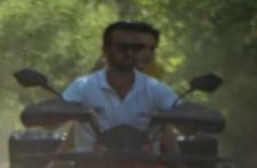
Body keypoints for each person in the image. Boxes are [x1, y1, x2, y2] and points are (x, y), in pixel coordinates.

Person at [62, 21, 179, 151]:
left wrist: (176, 161)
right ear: (107, 51)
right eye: (123, 48)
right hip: (94, 163)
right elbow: (78, 119)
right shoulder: (87, 83)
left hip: (142, 163)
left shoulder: (155, 81)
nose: (146, 54)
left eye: (136, 48)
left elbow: (168, 121)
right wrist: (59, 158)